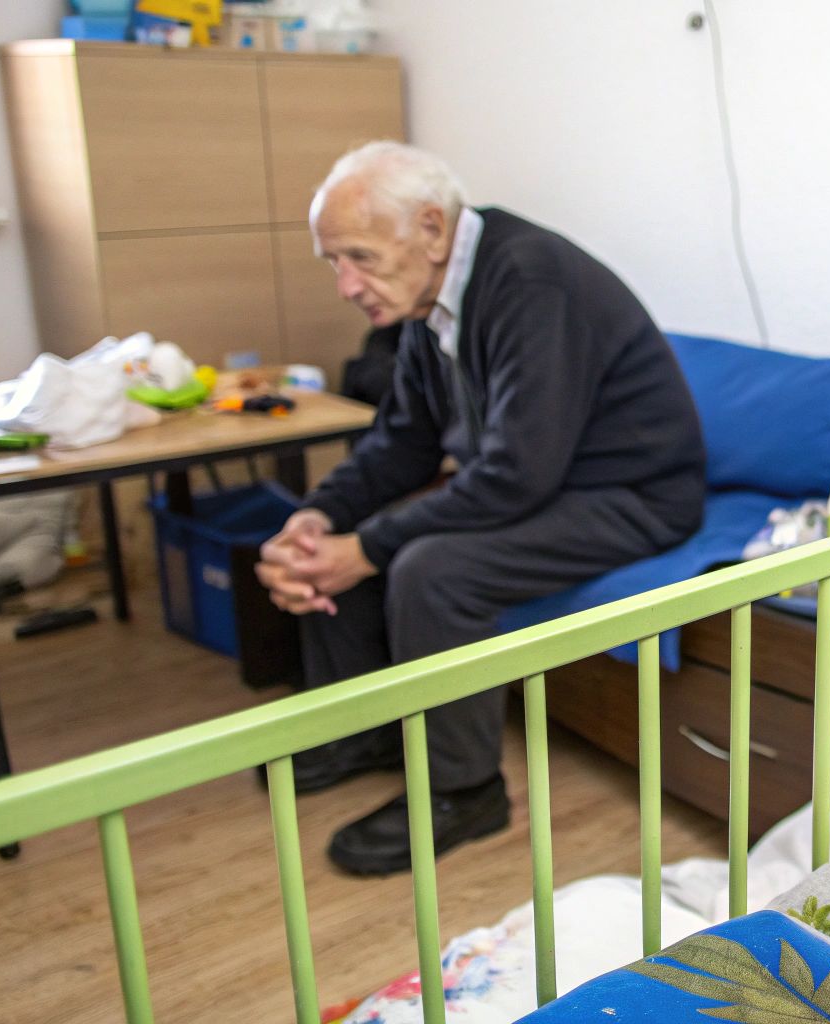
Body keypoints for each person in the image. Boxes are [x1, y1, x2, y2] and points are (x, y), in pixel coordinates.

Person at [256, 141, 706, 875]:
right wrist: (320, 517)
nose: (345, 285)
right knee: (362, 533)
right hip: (548, 480)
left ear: (432, 229)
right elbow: (401, 442)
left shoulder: (530, 282)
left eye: (359, 257)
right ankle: (373, 730)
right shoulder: (430, 300)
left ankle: (463, 793)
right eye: (333, 262)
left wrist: (367, 547)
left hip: (632, 496)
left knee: (432, 567)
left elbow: (517, 474)